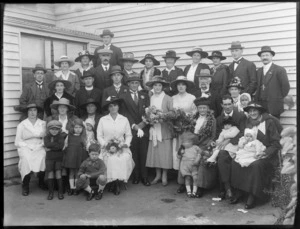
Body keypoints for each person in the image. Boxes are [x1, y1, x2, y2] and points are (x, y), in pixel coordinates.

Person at [230, 102, 281, 209]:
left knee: (256, 165)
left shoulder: (269, 122)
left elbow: (276, 143)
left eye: (255, 110)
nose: (252, 113)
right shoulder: (248, 122)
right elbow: (244, 137)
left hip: (266, 154)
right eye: (250, 111)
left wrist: (265, 153)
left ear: (260, 111)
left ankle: (252, 196)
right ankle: (240, 191)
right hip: (249, 152)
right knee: (235, 162)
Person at [97, 96, 135, 195]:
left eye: (115, 106)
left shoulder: (124, 119)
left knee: (124, 157)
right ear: (108, 108)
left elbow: (128, 135)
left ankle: (118, 182)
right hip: (106, 147)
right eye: (111, 106)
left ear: (118, 107)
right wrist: (105, 145)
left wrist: (126, 144)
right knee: (110, 159)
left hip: (121, 146)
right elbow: (99, 135)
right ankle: (112, 182)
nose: (113, 108)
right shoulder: (103, 119)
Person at [119, 74, 151, 186]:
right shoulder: (123, 96)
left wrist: (142, 125)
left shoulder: (144, 95)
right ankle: (136, 176)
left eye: (136, 83)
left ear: (139, 84)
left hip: (143, 129)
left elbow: (149, 112)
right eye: (132, 83)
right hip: (131, 129)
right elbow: (124, 113)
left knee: (144, 153)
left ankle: (145, 177)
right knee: (134, 153)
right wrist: (135, 126)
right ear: (128, 84)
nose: (134, 85)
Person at [216, 95, 247, 201]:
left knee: (233, 160)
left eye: (230, 104)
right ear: (222, 105)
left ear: (233, 104)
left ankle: (231, 189)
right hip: (224, 146)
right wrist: (219, 142)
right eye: (225, 104)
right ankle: (227, 188)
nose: (228, 107)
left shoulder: (241, 116)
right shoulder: (219, 119)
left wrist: (229, 140)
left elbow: (243, 132)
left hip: (238, 144)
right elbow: (217, 134)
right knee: (222, 156)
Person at [145, 76, 173, 186]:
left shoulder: (168, 98)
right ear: (152, 87)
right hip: (153, 128)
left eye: (159, 85)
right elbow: (146, 112)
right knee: (156, 153)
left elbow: (172, 113)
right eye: (155, 85)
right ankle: (157, 175)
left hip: (164, 128)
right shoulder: (150, 98)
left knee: (164, 153)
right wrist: (150, 117)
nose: (157, 87)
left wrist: (162, 115)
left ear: (163, 87)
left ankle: (165, 175)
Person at [170, 76, 197, 193]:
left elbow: (194, 113)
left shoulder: (192, 97)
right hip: (176, 129)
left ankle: (189, 180)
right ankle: (181, 182)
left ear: (186, 86)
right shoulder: (172, 98)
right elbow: (170, 113)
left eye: (183, 84)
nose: (181, 86)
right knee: (178, 153)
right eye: (178, 84)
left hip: (187, 129)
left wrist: (187, 121)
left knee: (187, 153)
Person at [47, 98, 79, 194]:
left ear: (67, 109)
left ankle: (68, 185)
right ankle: (59, 185)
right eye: (60, 107)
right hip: (56, 145)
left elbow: (77, 131)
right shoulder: (51, 119)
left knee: (69, 159)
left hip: (70, 144)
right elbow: (48, 133)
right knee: (58, 160)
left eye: (64, 107)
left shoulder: (73, 119)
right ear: (57, 108)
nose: (62, 109)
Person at [14, 104, 47, 196]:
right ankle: (25, 185)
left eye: (34, 110)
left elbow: (45, 138)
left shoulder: (42, 123)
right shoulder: (22, 125)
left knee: (43, 156)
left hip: (39, 145)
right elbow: (18, 141)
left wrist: (41, 145)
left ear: (37, 112)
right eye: (30, 110)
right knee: (26, 160)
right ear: (27, 112)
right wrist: (27, 146)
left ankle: (41, 182)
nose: (32, 112)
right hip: (26, 146)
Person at [254, 46, 290, 119]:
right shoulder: (259, 71)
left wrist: (277, 99)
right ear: (260, 57)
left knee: (274, 126)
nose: (265, 57)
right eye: (262, 55)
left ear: (271, 56)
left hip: (274, 105)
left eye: (267, 55)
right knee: (262, 127)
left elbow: (286, 87)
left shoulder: (279, 70)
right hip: (261, 105)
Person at [192, 97, 217, 198]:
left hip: (205, 144)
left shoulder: (212, 120)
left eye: (204, 108)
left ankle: (200, 187)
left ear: (208, 109)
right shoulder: (193, 118)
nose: (202, 110)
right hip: (193, 143)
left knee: (203, 160)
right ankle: (186, 184)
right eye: (200, 108)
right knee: (187, 157)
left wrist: (206, 146)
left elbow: (213, 136)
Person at [62, 118, 88, 196]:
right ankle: (71, 187)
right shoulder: (69, 136)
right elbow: (65, 145)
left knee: (77, 172)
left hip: (80, 156)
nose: (78, 129)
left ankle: (76, 187)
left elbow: (86, 146)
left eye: (80, 127)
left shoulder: (84, 137)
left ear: (83, 128)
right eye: (76, 127)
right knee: (71, 172)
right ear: (72, 128)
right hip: (71, 156)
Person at [44, 120, 67, 200]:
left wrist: (51, 148)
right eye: (52, 129)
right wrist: (55, 146)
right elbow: (47, 144)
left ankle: (60, 193)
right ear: (49, 129)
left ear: (59, 130)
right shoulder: (46, 137)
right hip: (49, 158)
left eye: (56, 129)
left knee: (58, 174)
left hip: (58, 158)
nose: (54, 131)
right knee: (50, 174)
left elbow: (60, 146)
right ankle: (51, 193)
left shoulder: (60, 137)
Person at [177, 132, 202, 198]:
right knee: (187, 178)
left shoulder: (195, 147)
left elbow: (200, 152)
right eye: (184, 142)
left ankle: (194, 191)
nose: (186, 143)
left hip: (194, 165)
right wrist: (180, 153)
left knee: (195, 178)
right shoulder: (182, 149)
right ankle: (189, 191)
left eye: (188, 141)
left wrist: (198, 157)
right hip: (185, 166)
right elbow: (178, 157)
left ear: (192, 142)